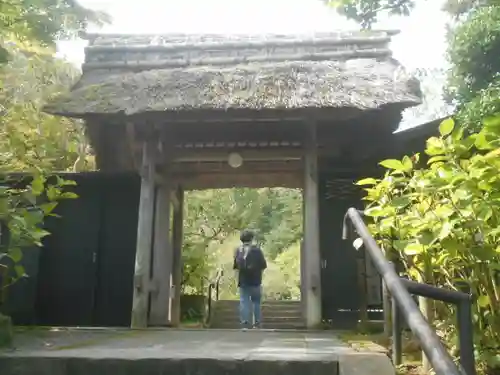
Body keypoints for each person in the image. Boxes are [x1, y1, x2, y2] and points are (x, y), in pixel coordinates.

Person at [233, 229, 267, 329]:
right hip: (256, 281)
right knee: (256, 302)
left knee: (244, 301)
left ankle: (245, 323)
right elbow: (263, 265)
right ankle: (257, 323)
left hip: (243, 281)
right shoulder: (257, 250)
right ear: (252, 239)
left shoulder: (239, 250)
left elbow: (236, 267)